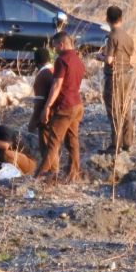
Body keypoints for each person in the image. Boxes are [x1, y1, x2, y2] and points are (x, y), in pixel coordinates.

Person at [37, 32, 85, 183]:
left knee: (53, 142)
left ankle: (39, 177)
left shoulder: (62, 60)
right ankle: (74, 173)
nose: (54, 49)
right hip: (77, 104)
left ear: (61, 44)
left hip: (65, 106)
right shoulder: (78, 60)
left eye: (55, 46)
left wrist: (47, 106)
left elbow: (57, 85)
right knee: (72, 141)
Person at [99, 5, 135, 153]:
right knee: (125, 109)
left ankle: (116, 144)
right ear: (121, 18)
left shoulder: (112, 36)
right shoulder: (128, 36)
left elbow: (109, 60)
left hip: (114, 76)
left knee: (114, 109)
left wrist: (99, 57)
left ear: (107, 19)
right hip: (127, 75)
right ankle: (127, 142)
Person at [28, 46, 55, 154]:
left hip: (48, 114)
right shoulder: (55, 69)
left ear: (36, 62)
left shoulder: (42, 75)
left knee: (46, 145)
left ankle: (48, 168)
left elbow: (39, 102)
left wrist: (33, 121)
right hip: (61, 110)